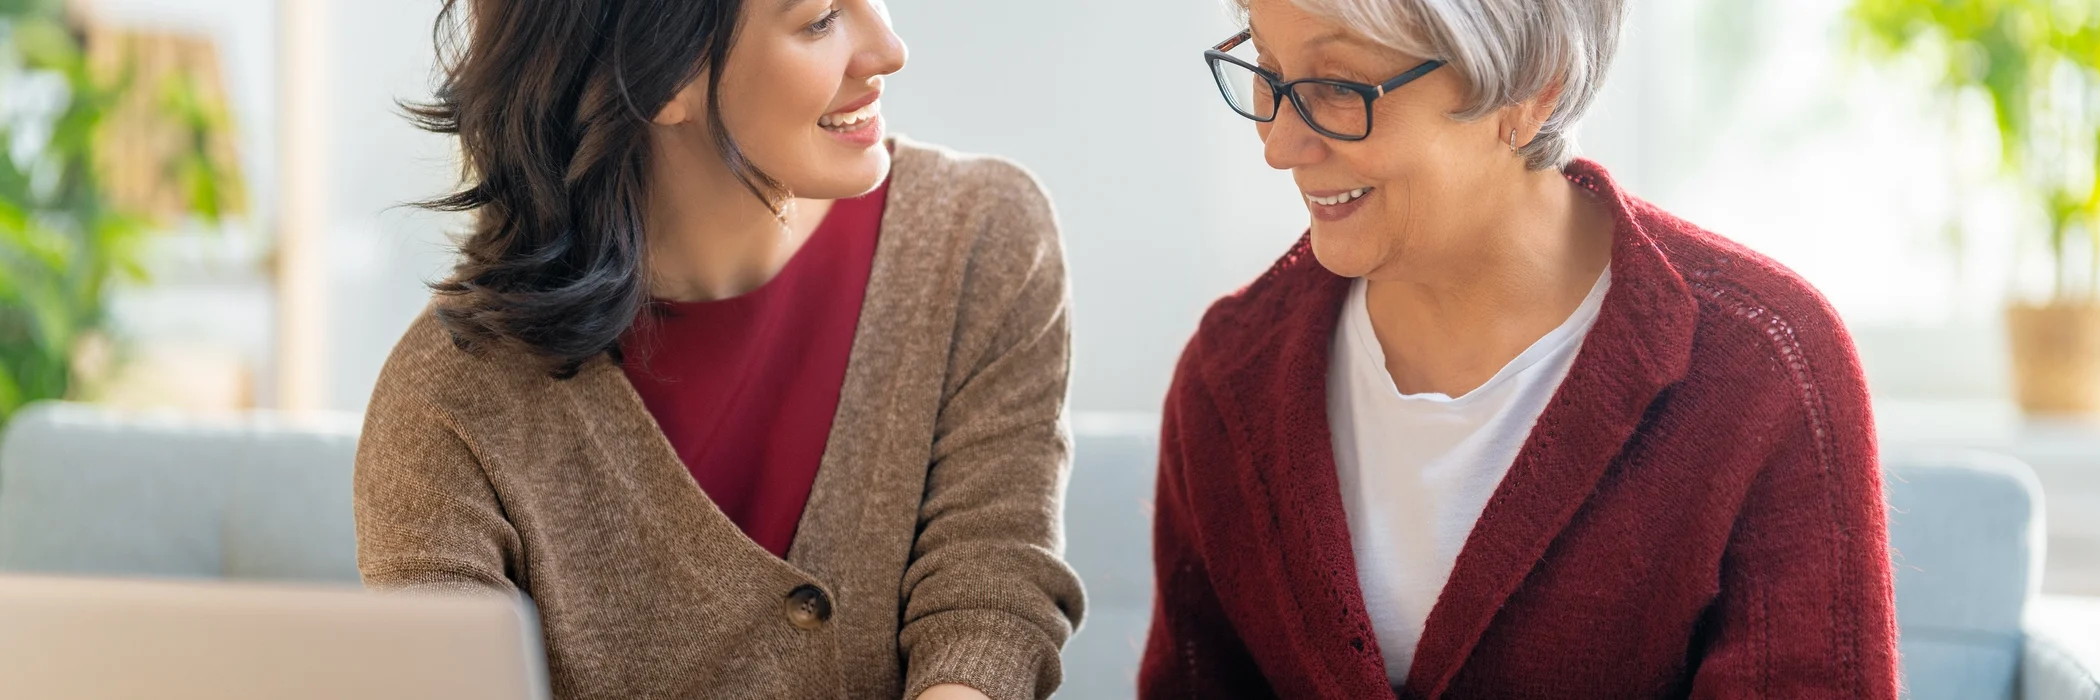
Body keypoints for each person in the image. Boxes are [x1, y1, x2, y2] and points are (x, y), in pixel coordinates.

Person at [1140, 0, 1897, 696]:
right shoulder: (1228, 380)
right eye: (1268, 73)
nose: (1278, 144)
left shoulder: (1760, 369)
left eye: (1339, 86)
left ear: (1532, 89)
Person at [352, 1, 1083, 698]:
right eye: (820, 18)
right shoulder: (445, 408)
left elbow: (990, 590)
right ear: (657, 76)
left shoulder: (980, 240)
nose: (890, 49)